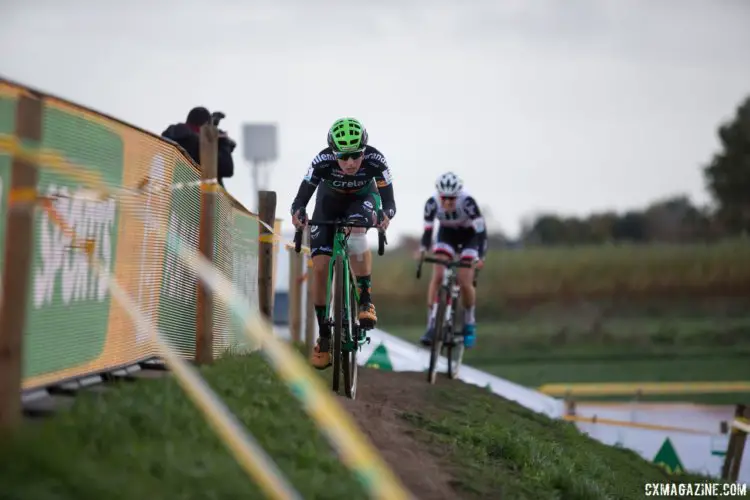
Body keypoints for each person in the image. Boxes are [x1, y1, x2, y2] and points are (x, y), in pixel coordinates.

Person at [290, 117, 396, 369]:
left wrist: (385, 217)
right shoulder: (322, 161)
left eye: (356, 155)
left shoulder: (376, 161)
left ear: (365, 149)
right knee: (320, 266)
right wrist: (298, 214)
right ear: (333, 153)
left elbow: (389, 203)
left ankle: (365, 300)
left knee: (358, 230)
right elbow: (300, 200)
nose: (350, 163)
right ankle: (324, 335)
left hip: (362, 200)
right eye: (343, 156)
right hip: (328, 203)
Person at [418, 172, 487, 348]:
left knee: (465, 280)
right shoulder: (432, 204)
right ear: (438, 195)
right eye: (444, 198)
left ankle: (469, 322)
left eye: (452, 198)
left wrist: (481, 256)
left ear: (458, 195)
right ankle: (432, 324)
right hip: (446, 235)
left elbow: (481, 231)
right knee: (438, 275)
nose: (448, 202)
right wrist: (423, 250)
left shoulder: (468, 202)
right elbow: (427, 232)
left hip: (469, 237)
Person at [161, 106, 235, 187]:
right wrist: (223, 144)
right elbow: (227, 169)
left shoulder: (174, 136)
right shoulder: (199, 145)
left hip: (175, 193)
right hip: (201, 195)